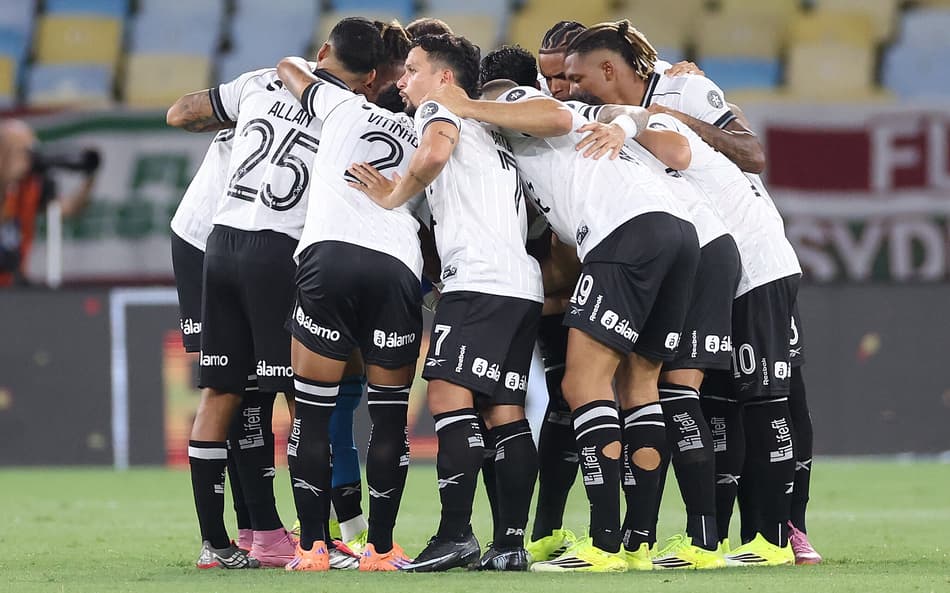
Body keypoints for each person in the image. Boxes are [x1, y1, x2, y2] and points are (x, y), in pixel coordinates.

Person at [428, 76, 700, 572]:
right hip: (676, 232)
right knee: (641, 385)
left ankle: (604, 543)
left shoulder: (505, 104)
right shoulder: (548, 161)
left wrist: (467, 104)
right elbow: (563, 264)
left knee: (582, 384)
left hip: (624, 234)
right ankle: (638, 543)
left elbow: (553, 114)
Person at [165, 16, 393, 571]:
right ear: (370, 80)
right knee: (301, 399)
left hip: (220, 241)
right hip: (278, 252)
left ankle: (222, 542)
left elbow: (181, 112)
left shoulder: (258, 82)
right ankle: (312, 541)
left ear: (324, 50)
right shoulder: (353, 116)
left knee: (224, 391)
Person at [347, 33, 544, 572]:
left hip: (479, 279)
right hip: (519, 281)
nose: (403, 81)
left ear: (445, 77)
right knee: (505, 411)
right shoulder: (492, 127)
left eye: (412, 69)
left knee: (447, 395)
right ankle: (509, 545)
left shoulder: (439, 110)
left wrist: (391, 193)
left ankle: (456, 533)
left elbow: (433, 151)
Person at [272, 19, 420, 572]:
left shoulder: (340, 105)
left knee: (311, 414)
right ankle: (379, 550)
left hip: (328, 256)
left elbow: (292, 70)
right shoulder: (426, 134)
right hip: (395, 264)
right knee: (388, 419)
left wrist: (319, 66)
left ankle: (313, 548)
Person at [0, 118, 98, 287]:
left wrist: (90, 177)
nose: (25, 159)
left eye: (28, 151)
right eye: (18, 151)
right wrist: (8, 180)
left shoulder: (32, 185)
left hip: (14, 283)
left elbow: (69, 209)